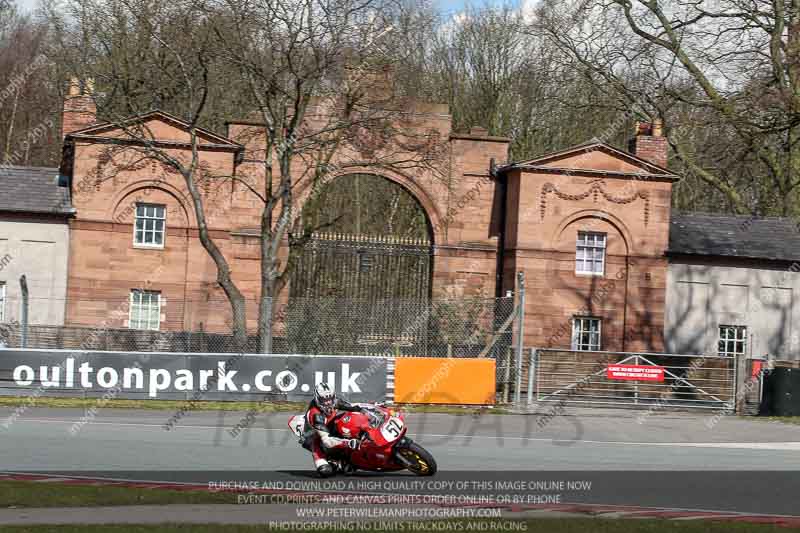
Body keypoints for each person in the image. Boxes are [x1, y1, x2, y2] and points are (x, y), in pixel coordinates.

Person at [302, 382, 364, 477]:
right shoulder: (315, 415)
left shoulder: (335, 402)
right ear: (317, 398)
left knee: (348, 422)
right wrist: (348, 443)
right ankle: (335, 460)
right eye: (324, 400)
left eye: (330, 399)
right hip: (316, 439)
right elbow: (327, 441)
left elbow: (354, 407)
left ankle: (343, 458)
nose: (328, 402)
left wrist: (369, 408)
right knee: (326, 471)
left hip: (330, 429)